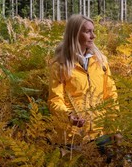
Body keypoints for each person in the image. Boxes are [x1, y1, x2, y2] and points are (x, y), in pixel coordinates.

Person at [48, 14, 118, 146]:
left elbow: (111, 95)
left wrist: (114, 127)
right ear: (75, 34)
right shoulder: (60, 65)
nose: (93, 36)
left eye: (93, 31)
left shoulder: (101, 61)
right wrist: (69, 116)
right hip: (73, 136)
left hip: (101, 134)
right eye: (87, 32)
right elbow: (55, 100)